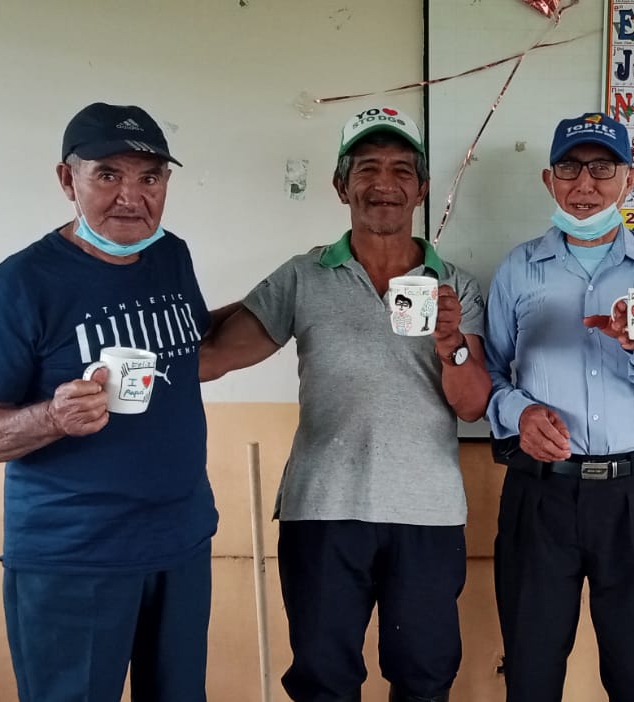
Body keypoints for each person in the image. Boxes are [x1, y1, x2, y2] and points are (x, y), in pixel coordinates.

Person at [198, 106, 490, 702]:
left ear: (421, 189)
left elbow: (472, 406)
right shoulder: (303, 276)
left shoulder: (455, 285)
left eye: (402, 170)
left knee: (425, 678)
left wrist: (452, 346)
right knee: (323, 682)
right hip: (322, 509)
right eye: (367, 168)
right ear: (341, 184)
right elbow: (215, 358)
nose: (384, 183)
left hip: (428, 513)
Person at [0, 102, 218, 702]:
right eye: (107, 174)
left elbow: (197, 352)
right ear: (66, 179)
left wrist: (298, 303)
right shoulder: (17, 286)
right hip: (74, 557)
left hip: (181, 542)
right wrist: (54, 416)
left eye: (149, 177)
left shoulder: (171, 256)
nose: (131, 196)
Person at [483, 111, 634, 702]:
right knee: (530, 676)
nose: (585, 185)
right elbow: (490, 375)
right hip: (540, 494)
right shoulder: (518, 268)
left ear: (630, 179)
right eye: (570, 168)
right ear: (549, 180)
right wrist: (519, 413)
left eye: (603, 169)